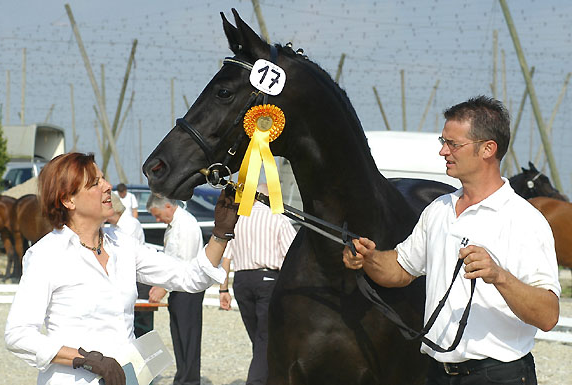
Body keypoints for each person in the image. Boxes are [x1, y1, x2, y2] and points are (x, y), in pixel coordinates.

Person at [343, 96, 560, 385]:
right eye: (443, 141)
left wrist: (498, 276)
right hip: (435, 374)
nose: (443, 151)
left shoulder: (524, 220)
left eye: (453, 144)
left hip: (498, 376)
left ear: (488, 149)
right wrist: (369, 258)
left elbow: (548, 315)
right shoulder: (438, 209)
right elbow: (400, 269)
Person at [4, 152, 238, 385]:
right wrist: (84, 359)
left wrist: (220, 234)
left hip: (127, 379)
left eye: (103, 178)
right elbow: (18, 335)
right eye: (95, 183)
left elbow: (191, 277)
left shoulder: (123, 245)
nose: (108, 186)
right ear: (68, 200)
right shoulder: (47, 255)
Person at [219, 184, 297, 385]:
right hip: (268, 279)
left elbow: (226, 258)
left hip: (242, 281)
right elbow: (292, 257)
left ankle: (269, 377)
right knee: (265, 338)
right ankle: (256, 381)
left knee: (258, 338)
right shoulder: (278, 218)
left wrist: (223, 288)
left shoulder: (238, 219)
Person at [146, 195, 204, 385]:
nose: (157, 220)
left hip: (187, 287)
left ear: (168, 206)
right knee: (179, 336)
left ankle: (189, 379)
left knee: (188, 336)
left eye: (158, 215)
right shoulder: (176, 225)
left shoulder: (185, 224)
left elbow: (183, 263)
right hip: (178, 287)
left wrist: (163, 286)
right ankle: (183, 376)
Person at [105, 193, 153, 338]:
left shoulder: (129, 225)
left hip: (137, 279)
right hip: (129, 278)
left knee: (141, 326)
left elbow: (122, 256)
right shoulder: (116, 226)